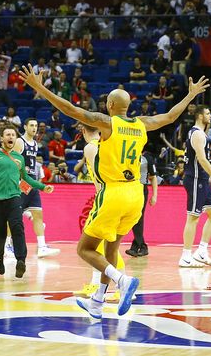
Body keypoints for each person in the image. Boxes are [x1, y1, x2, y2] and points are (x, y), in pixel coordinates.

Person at [19, 63, 209, 319]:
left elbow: (71, 109)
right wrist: (190, 95)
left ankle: (122, 280)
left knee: (84, 249)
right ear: (128, 106)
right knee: (111, 248)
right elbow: (170, 117)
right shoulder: (142, 124)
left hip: (113, 193)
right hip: (135, 195)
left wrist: (40, 87)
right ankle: (98, 301)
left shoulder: (107, 124)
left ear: (109, 105)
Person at [0, 124, 55, 279]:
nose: (10, 137)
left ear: (16, 139)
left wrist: (43, 187)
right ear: (1, 138)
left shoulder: (19, 158)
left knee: (18, 227)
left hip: (14, 198)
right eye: (7, 135)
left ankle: (21, 260)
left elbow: (26, 178)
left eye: (13, 135)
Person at [73, 123, 128, 302]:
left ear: (83, 131)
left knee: (102, 246)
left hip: (106, 198)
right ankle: (97, 283)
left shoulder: (90, 147)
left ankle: (124, 285)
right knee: (99, 245)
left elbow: (100, 175)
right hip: (119, 195)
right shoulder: (109, 146)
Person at [179, 107, 211, 268]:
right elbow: (202, 159)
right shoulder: (198, 133)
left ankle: (201, 251)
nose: (210, 115)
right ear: (200, 116)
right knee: (193, 217)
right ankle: (185, 256)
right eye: (207, 113)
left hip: (202, 179)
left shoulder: (201, 133)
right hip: (194, 178)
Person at [6, 118, 60, 259]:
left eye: (36, 125)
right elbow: (12, 162)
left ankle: (42, 247)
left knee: (38, 215)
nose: (34, 128)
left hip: (32, 182)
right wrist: (17, 182)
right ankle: (7, 246)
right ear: (25, 126)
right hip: (21, 183)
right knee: (14, 217)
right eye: (31, 125)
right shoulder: (19, 142)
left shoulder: (35, 144)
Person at [125, 148, 158, 257]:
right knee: (133, 218)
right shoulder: (127, 156)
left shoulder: (147, 158)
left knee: (138, 218)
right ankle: (138, 247)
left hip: (141, 188)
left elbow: (153, 177)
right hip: (129, 188)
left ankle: (140, 247)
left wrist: (154, 195)